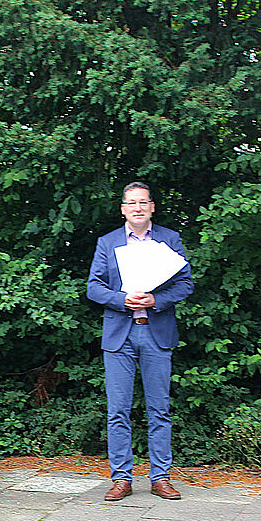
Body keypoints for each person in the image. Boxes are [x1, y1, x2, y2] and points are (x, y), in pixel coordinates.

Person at [86, 182, 194, 501]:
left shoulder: (170, 239)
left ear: (152, 207)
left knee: (159, 409)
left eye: (142, 202)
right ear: (123, 209)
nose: (137, 208)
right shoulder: (107, 243)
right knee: (118, 410)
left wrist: (154, 300)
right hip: (120, 333)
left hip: (156, 332)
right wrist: (123, 300)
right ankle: (121, 478)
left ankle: (160, 477)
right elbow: (93, 288)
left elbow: (185, 285)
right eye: (131, 203)